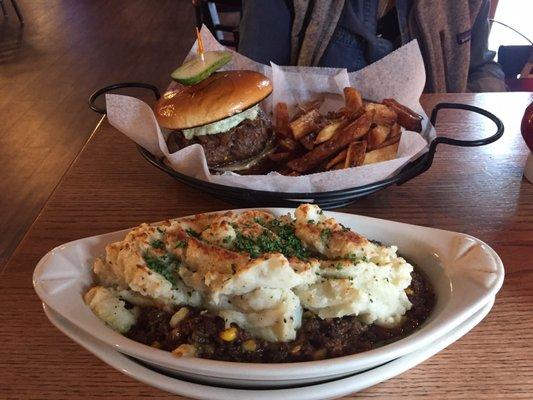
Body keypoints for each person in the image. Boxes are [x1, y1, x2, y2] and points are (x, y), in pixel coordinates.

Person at [238, 0, 507, 93]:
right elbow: (252, 82)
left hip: (428, 170)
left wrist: (455, 115)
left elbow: (482, 69)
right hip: (310, 184)